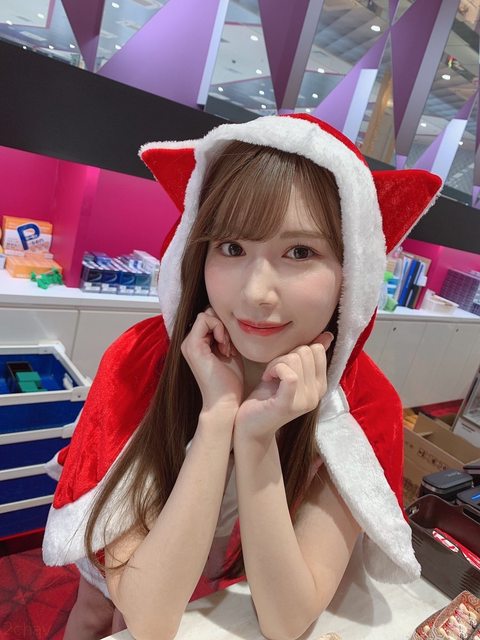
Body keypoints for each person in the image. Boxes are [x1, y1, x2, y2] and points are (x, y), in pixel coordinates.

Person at [42, 113, 442, 640]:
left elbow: (286, 621)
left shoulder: (362, 407)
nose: (256, 293)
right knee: (101, 613)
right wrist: (217, 417)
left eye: (300, 252)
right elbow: (149, 618)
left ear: (354, 270)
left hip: (238, 566)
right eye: (232, 248)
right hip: (145, 553)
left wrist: (255, 438)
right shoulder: (143, 362)